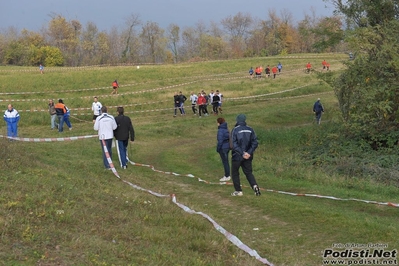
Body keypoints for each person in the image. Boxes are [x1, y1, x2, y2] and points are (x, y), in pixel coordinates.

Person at [230, 114, 261, 196]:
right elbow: (255, 142)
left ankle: (238, 190)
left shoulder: (235, 130)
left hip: (237, 156)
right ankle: (255, 186)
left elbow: (233, 144)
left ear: (237, 120)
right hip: (248, 156)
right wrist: (249, 152)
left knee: (235, 173)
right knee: (248, 173)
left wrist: (242, 153)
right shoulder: (251, 129)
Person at [217, 117, 231, 182]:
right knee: (226, 162)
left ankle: (227, 175)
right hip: (227, 147)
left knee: (225, 162)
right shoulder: (226, 129)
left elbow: (220, 141)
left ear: (219, 123)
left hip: (223, 147)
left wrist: (218, 148)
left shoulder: (220, 130)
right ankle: (228, 175)